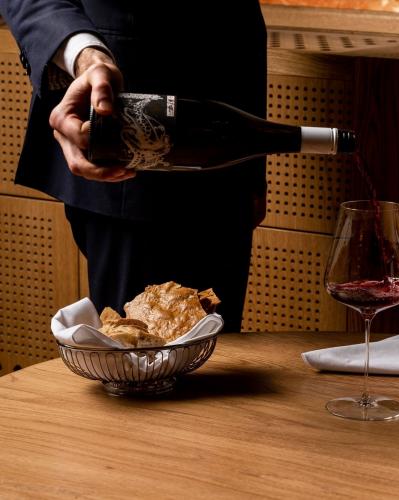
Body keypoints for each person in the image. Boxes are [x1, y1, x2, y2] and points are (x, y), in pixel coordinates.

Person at [0, 1, 267, 332]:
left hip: (231, 167)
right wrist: (86, 56)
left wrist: (253, 172)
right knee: (137, 364)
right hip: (130, 161)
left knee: (224, 364)